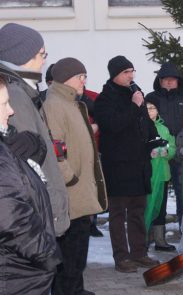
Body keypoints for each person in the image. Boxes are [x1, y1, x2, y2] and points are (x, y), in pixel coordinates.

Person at [43, 58, 107, 295]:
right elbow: (54, 149)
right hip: (69, 195)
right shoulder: (55, 105)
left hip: (80, 193)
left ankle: (76, 290)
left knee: (78, 254)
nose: (84, 81)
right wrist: (70, 179)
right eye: (80, 76)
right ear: (66, 78)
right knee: (69, 257)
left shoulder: (72, 103)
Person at [0, 22, 70, 238]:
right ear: (22, 56)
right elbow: (30, 168)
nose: (44, 59)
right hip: (38, 214)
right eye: (41, 53)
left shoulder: (23, 90)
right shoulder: (16, 95)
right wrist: (53, 208)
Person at [94, 55, 161, 273]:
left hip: (139, 164)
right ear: (115, 75)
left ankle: (139, 253)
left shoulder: (136, 92)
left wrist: (153, 138)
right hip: (118, 166)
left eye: (132, 70)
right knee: (117, 213)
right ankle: (121, 257)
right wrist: (134, 106)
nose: (131, 75)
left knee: (137, 211)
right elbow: (114, 125)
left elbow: (145, 121)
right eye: (126, 72)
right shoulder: (105, 99)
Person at [0, 75, 61, 295]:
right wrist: (46, 254)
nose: (11, 111)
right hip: (16, 273)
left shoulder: (7, 145)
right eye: (4, 104)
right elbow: (11, 217)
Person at [145, 62, 183, 229]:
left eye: (172, 79)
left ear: (178, 81)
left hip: (180, 151)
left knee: (182, 192)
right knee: (157, 192)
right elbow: (145, 120)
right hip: (159, 153)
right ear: (159, 81)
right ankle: (154, 232)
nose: (169, 82)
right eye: (165, 79)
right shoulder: (151, 98)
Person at [144, 97, 176, 251]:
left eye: (152, 108)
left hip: (163, 174)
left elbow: (172, 147)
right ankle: (143, 238)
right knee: (146, 206)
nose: (150, 111)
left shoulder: (164, 129)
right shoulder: (140, 125)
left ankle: (160, 239)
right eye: (147, 107)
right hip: (147, 174)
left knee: (161, 207)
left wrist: (167, 151)